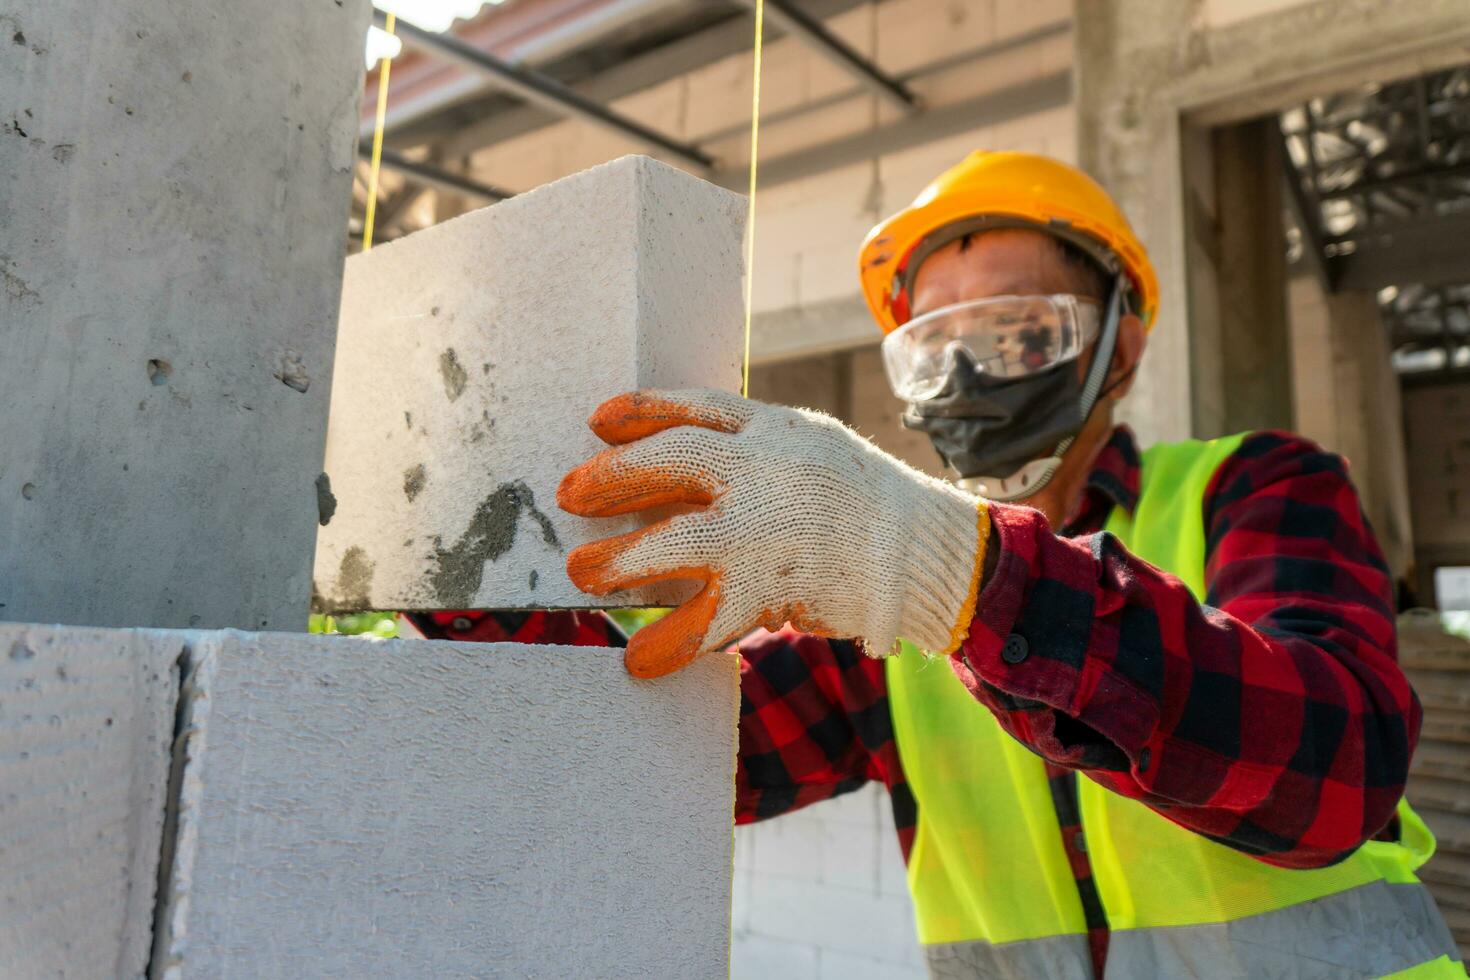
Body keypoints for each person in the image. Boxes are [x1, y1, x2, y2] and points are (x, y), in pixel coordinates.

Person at [555, 152, 1464, 977]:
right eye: (931, 350)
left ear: (1122, 349)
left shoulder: (1258, 486)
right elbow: (667, 763)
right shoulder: (879, 592)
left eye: (1015, 332)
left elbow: (1337, 770)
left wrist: (961, 572)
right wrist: (504, 565)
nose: (963, 378)